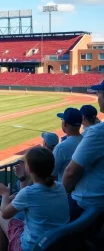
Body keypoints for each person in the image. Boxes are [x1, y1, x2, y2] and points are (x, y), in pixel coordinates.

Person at [0, 146, 69, 251]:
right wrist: (23, 178)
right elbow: (29, 198)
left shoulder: (28, 193)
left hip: (32, 247)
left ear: (30, 169)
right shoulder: (60, 186)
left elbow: (5, 214)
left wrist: (5, 194)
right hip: (55, 242)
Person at [63, 80, 104, 220]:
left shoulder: (98, 132)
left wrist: (60, 197)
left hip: (86, 203)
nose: (98, 97)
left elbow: (70, 172)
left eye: (99, 93)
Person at [52, 108, 82, 182]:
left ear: (64, 124)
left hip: (65, 190)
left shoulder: (61, 148)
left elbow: (52, 174)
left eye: (62, 119)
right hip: (82, 187)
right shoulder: (86, 141)